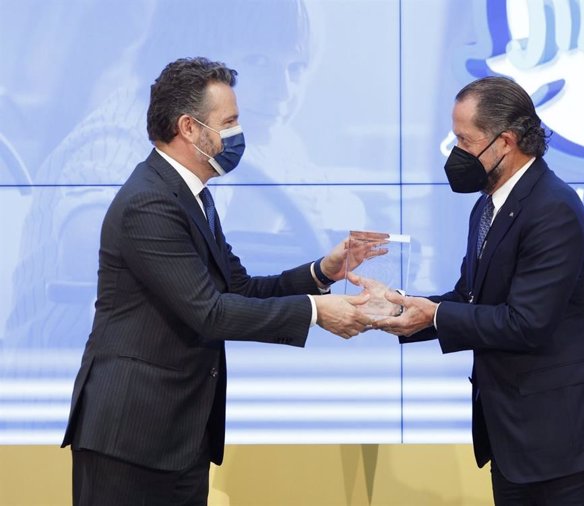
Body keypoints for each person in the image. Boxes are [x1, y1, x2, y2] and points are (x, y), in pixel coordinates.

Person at [61, 56, 380, 505]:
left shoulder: (193, 198)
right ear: (189, 127)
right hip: (131, 437)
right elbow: (209, 312)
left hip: (178, 437)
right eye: (228, 122)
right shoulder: (149, 203)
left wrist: (322, 272)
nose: (237, 134)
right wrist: (315, 312)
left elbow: (240, 290)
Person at [368, 76, 584, 505]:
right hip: (514, 438)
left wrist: (431, 315)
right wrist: (399, 309)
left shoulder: (553, 209)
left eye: (464, 140)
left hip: (564, 442)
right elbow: (472, 298)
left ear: (505, 141)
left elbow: (526, 323)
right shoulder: (488, 206)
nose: (455, 154)